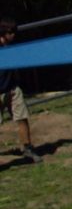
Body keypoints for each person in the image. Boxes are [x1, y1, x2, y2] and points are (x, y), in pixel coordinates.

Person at [0, 18, 38, 164]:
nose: (14, 35)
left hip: (13, 89)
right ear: (5, 32)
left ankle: (28, 148)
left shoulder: (11, 47)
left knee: (22, 118)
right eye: (12, 32)